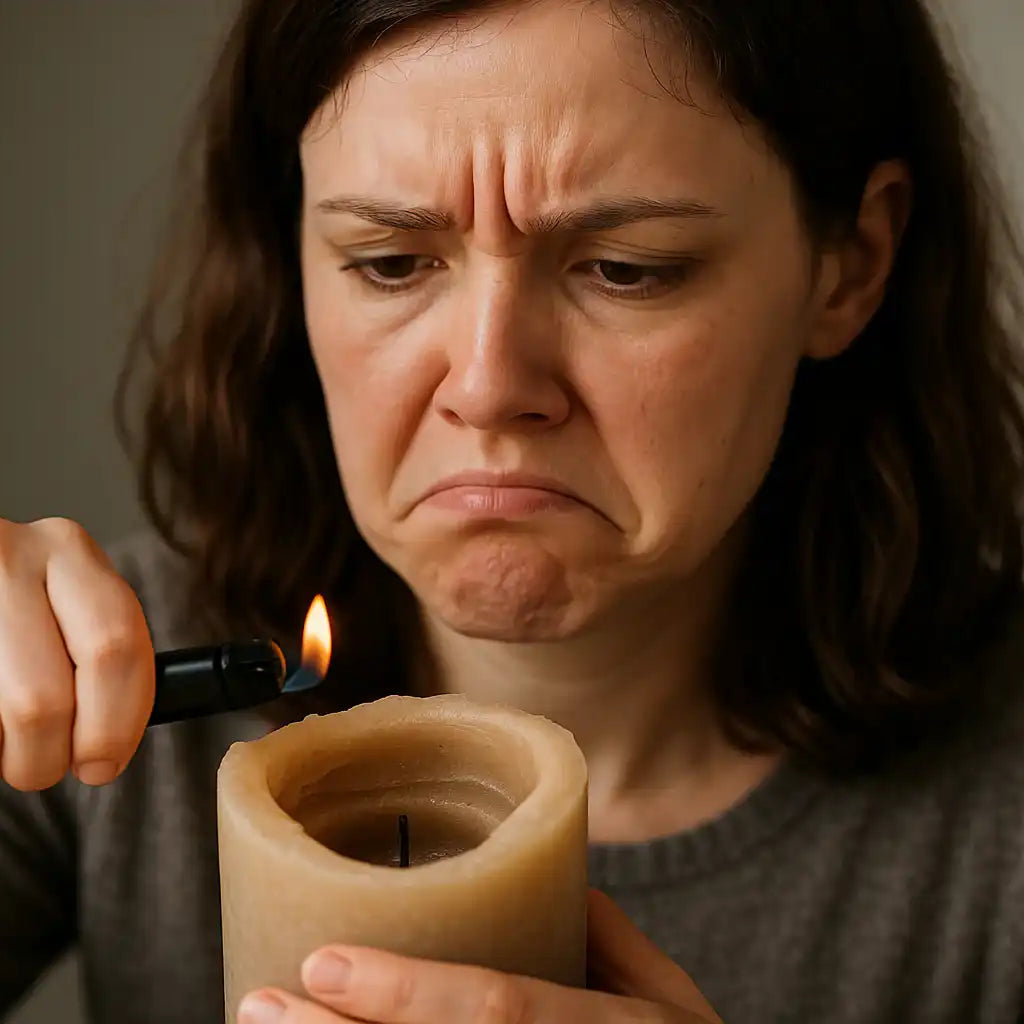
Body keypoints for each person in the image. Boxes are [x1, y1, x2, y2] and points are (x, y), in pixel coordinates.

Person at [2, 0, 1024, 1021]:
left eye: (626, 269)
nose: (488, 386)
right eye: (391, 263)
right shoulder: (85, 685)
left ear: (849, 264)